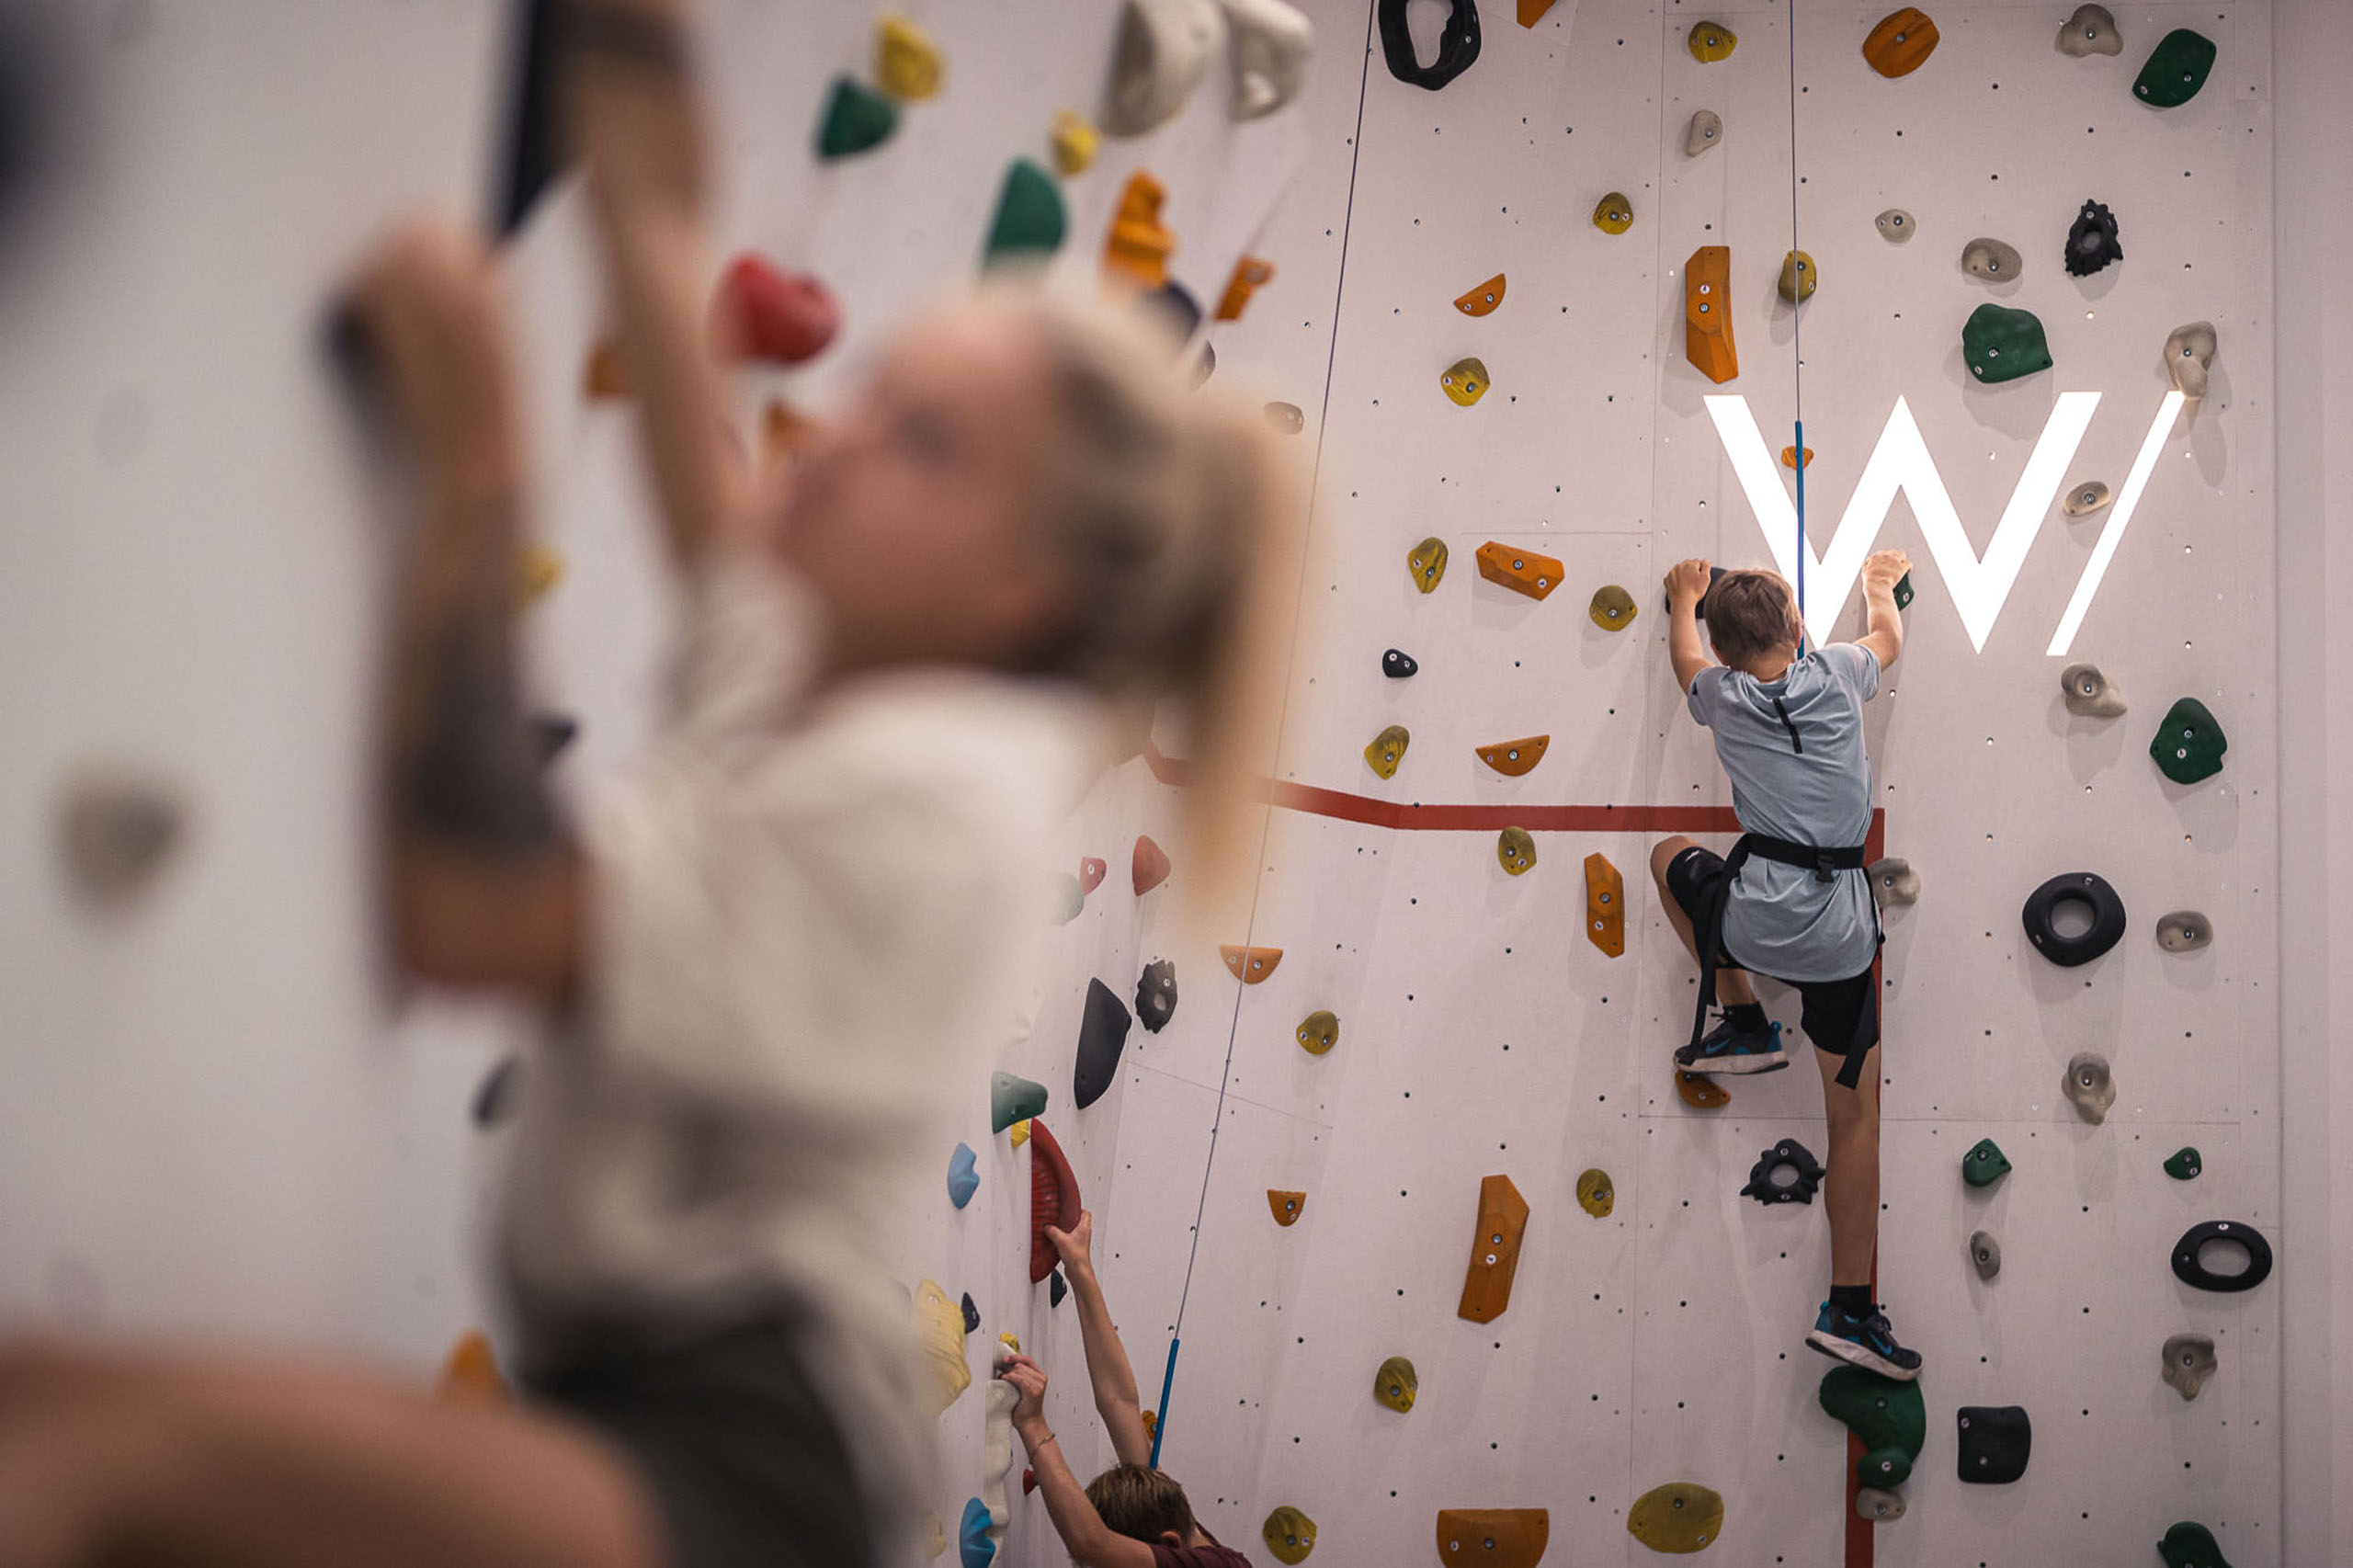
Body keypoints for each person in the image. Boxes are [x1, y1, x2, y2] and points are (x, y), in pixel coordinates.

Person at [0, 0, 1292, 1562]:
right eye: (873, 391)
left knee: (88, 1447)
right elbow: (692, 401)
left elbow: (470, 912)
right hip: (639, 1394)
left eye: (921, 440)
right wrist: (634, 104)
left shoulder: (945, 799)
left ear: (1026, 583)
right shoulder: (847, 670)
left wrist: (476, 466)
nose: (838, 439)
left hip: (751, 1473)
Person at [1647, 551, 1922, 1382]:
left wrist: (1685, 598)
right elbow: (1888, 638)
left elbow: (1684, 657)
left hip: (1756, 923)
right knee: (1854, 1120)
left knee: (1668, 856)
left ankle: (1744, 1020)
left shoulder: (1722, 696)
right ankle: (1850, 1310)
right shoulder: (1838, 673)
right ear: (1799, 626)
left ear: (1726, 654)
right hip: (1838, 938)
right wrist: (1878, 588)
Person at [996, 1213, 1247, 1568]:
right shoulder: (1176, 1530)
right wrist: (1079, 1268)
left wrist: (1034, 1425)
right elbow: (1119, 1402)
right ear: (1170, 1543)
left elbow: (1090, 1545)